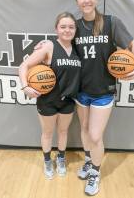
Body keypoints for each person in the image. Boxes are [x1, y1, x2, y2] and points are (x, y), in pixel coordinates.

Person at [74, 0, 134, 196]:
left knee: (95, 135)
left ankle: (95, 172)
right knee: (84, 129)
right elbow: (59, 47)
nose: (86, 0)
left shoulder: (111, 23)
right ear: (77, 1)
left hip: (103, 90)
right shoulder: (74, 26)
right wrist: (42, 48)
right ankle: (88, 160)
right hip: (81, 90)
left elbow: (132, 45)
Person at [19, 12, 81, 179]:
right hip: (48, 99)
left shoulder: (79, 48)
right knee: (47, 133)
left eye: (71, 27)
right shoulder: (49, 46)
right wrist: (25, 86)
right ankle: (47, 161)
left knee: (63, 132)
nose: (67, 30)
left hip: (68, 99)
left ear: (75, 29)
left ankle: (61, 158)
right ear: (56, 29)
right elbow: (24, 66)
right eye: (63, 27)